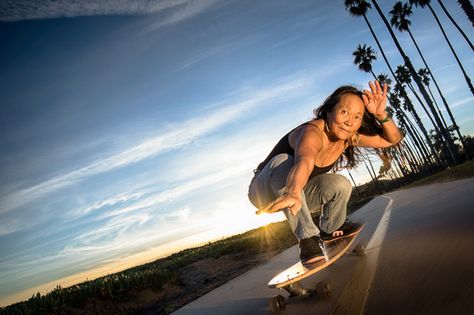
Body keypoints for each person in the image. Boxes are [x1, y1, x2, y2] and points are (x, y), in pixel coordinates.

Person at [247, 80, 402, 264]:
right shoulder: (312, 132)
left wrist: (381, 114)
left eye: (357, 117)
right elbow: (305, 159)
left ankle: (330, 229)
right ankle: (307, 240)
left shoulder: (350, 137)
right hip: (263, 191)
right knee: (284, 161)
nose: (349, 122)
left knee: (340, 184)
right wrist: (294, 190)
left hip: (299, 195)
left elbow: (392, 139)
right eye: (344, 112)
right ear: (329, 111)